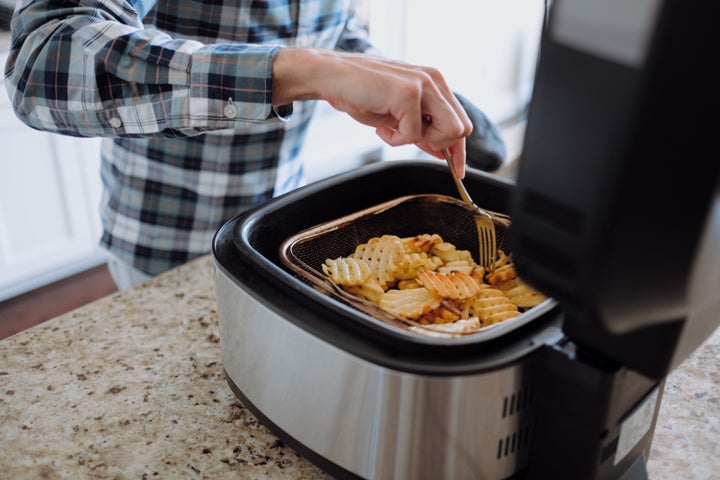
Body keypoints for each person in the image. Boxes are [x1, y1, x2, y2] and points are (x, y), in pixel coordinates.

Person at [4, 0, 474, 289]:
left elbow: (334, 26)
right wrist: (303, 71)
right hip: (168, 248)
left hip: (282, 229)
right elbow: (42, 61)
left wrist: (377, 72)